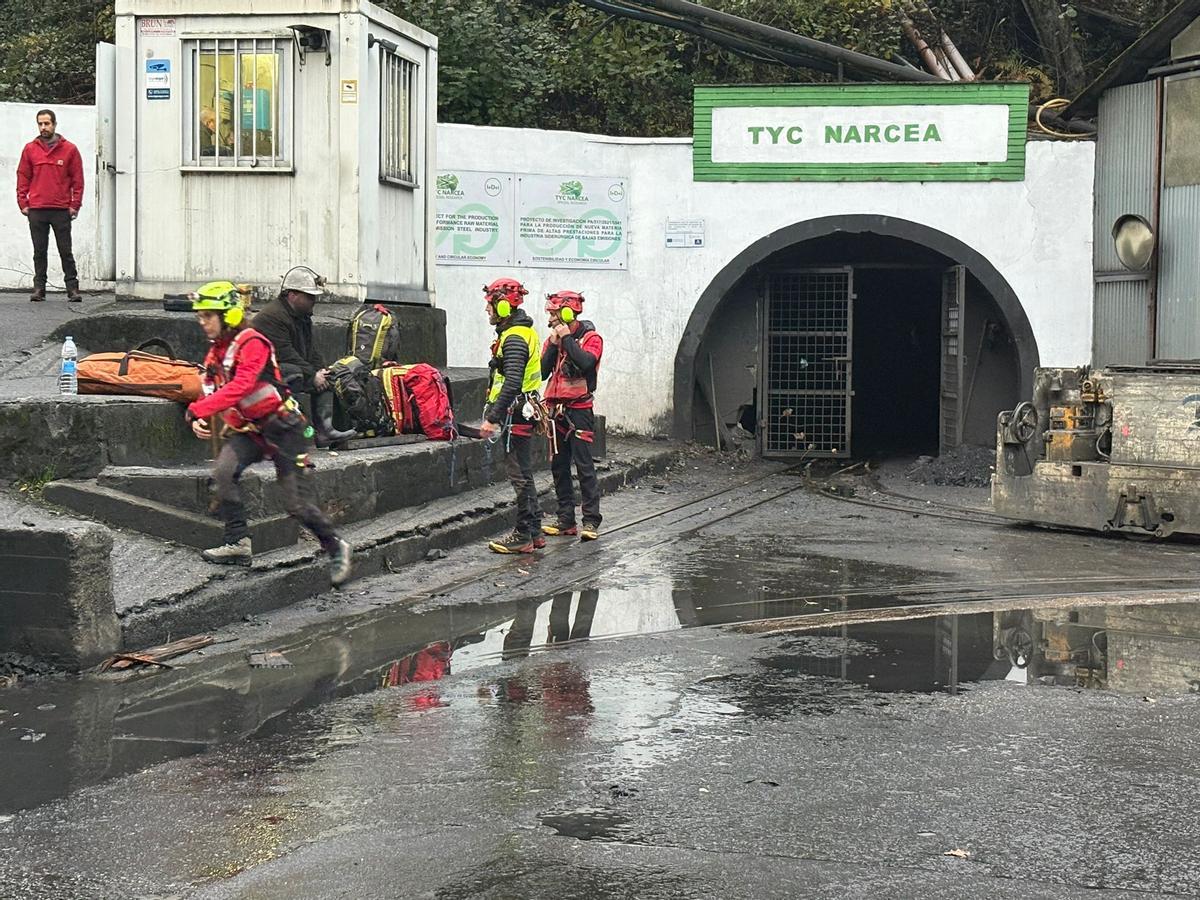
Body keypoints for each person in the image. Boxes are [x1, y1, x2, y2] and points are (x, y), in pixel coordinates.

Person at [184, 280, 353, 585]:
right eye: (200, 317)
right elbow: (210, 386)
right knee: (223, 472)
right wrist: (197, 413)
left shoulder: (254, 343)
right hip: (251, 431)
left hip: (285, 429)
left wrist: (202, 409)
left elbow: (241, 386)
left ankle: (336, 546)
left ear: (229, 315)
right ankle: (238, 542)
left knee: (296, 504)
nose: (202, 323)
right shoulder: (216, 352)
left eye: (208, 316)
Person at [250, 266, 356, 447]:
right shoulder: (272, 317)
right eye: (309, 297)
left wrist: (322, 370)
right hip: (264, 374)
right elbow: (286, 353)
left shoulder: (301, 315)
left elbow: (310, 349)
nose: (313, 301)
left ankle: (324, 431)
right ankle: (287, 432)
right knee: (294, 373)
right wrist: (312, 375)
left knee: (327, 374)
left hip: (286, 367)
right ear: (292, 295)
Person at [479, 277, 544, 554]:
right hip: (521, 410)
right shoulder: (517, 332)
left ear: (503, 307)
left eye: (490, 305)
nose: (487, 311)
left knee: (519, 475)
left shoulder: (515, 336)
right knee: (525, 473)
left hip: (515, 412)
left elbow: (513, 380)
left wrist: (493, 417)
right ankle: (535, 531)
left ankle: (522, 536)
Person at [540, 291, 604, 541]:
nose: (552, 318)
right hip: (555, 411)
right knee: (559, 466)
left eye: (555, 314)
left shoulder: (592, 338)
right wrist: (554, 345)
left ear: (568, 313)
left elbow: (586, 362)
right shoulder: (552, 340)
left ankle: (591, 521)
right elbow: (543, 372)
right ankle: (565, 519)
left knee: (584, 465)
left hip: (579, 411)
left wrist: (567, 338)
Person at [16, 109, 84, 303]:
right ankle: (39, 289)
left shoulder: (70, 149)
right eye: (40, 124)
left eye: (47, 123)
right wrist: (23, 202)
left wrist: (74, 205)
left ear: (54, 124)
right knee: (39, 251)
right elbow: (23, 177)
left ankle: (72, 289)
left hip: (61, 209)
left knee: (65, 251)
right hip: (37, 209)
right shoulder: (30, 149)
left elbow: (78, 181)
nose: (43, 127)